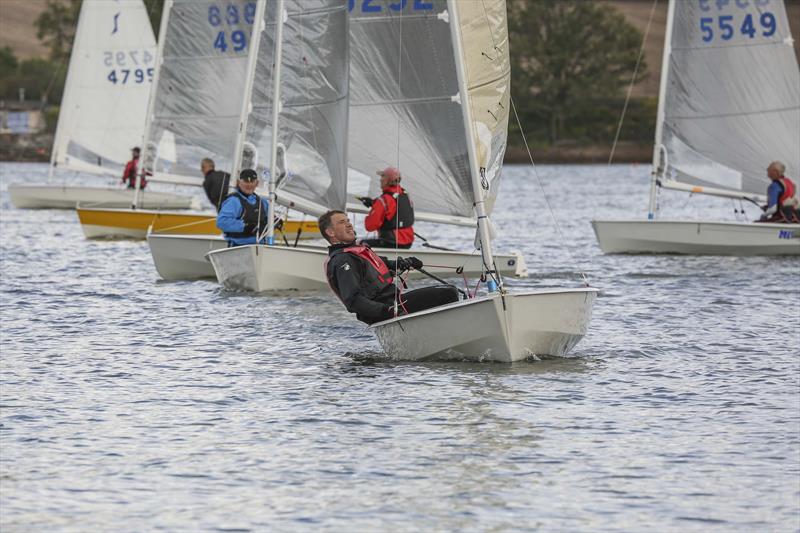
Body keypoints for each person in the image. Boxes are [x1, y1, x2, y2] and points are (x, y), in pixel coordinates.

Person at [319, 210, 459, 325]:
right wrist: (387, 311)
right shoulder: (343, 261)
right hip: (386, 309)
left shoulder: (356, 251)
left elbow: (383, 264)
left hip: (393, 302)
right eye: (342, 222)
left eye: (348, 221)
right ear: (331, 232)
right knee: (448, 293)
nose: (349, 225)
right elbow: (353, 301)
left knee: (447, 290)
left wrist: (406, 262)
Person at [358, 167, 415, 249]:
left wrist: (374, 208)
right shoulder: (405, 195)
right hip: (407, 243)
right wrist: (373, 203)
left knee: (359, 244)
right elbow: (394, 207)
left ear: (388, 180)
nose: (380, 180)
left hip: (391, 243)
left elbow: (370, 226)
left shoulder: (383, 200)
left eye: (383, 176)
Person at [216, 169, 271, 246]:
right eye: (246, 181)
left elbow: (269, 220)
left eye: (252, 181)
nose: (249, 185)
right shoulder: (234, 201)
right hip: (239, 247)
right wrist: (245, 226)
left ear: (257, 183)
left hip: (261, 246)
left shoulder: (263, 202)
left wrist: (275, 222)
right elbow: (221, 222)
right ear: (239, 182)